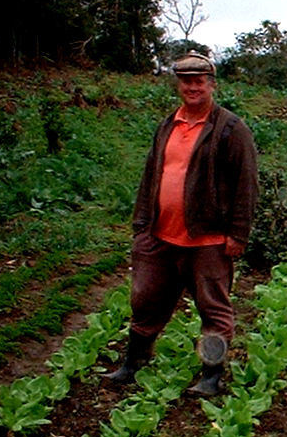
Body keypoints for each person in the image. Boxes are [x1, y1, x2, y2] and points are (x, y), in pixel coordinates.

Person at [106, 51, 258, 396]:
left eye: (199, 81)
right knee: (145, 300)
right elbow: (151, 175)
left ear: (211, 85)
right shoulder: (167, 125)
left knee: (213, 310)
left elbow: (246, 184)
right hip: (160, 235)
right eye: (186, 81)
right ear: (178, 85)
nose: (192, 87)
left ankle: (211, 376)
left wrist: (238, 234)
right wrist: (141, 225)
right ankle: (133, 363)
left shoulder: (231, 129)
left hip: (208, 239)